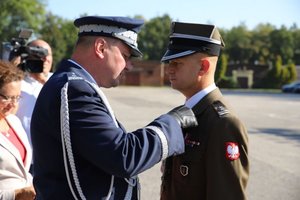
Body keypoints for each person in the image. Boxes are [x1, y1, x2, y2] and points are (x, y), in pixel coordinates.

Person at [30, 16, 198, 200]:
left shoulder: (71, 84)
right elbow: (123, 156)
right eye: (125, 56)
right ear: (100, 48)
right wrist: (172, 123)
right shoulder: (74, 89)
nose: (129, 66)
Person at [160, 22, 249, 200]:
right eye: (170, 62)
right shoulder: (187, 112)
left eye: (177, 62)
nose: (169, 68)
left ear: (203, 67)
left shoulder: (223, 123)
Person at [0, 60, 36, 200]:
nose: (13, 104)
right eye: (7, 98)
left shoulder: (14, 121)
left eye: (17, 97)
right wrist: (17, 195)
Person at [15, 39, 53, 146]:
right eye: (38, 53)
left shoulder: (58, 80)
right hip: (23, 154)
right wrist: (12, 71)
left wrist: (42, 80)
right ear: (26, 57)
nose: (44, 58)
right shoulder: (16, 83)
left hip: (48, 154)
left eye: (47, 54)